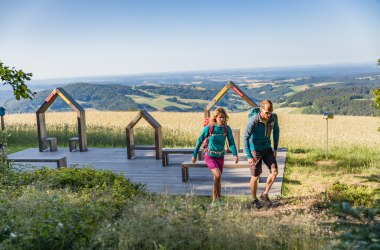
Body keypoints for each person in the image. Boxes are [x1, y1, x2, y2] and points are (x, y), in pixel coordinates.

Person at [192, 107, 238, 203]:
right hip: (210, 156)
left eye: (224, 117)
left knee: (218, 178)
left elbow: (231, 142)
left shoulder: (226, 129)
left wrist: (235, 154)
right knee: (217, 175)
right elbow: (200, 140)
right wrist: (194, 154)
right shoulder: (209, 128)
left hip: (220, 156)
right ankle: (217, 199)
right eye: (220, 117)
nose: (222, 119)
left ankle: (216, 200)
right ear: (216, 117)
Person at [243, 100, 280, 208]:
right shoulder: (253, 120)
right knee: (255, 176)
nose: (269, 115)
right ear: (261, 110)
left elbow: (276, 131)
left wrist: (275, 148)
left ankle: (265, 194)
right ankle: (254, 199)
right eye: (267, 112)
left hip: (267, 147)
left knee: (274, 172)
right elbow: (245, 137)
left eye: (270, 112)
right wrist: (249, 156)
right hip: (255, 149)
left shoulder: (273, 118)